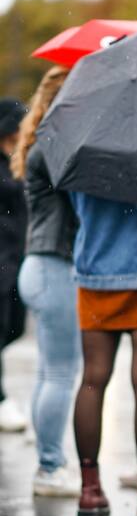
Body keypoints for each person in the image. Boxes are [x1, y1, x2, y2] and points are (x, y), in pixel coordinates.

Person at [70, 176, 137, 516]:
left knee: (93, 379)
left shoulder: (82, 143)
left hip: (94, 271)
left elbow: (74, 201)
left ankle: (89, 490)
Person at [11, 66, 81, 496]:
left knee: (48, 372)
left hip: (39, 264)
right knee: (60, 373)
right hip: (53, 265)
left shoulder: (42, 141)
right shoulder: (55, 148)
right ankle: (50, 466)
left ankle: (48, 457)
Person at [0, 97, 27, 432]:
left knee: (14, 327)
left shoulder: (16, 160)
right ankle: (2, 398)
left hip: (15, 257)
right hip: (2, 259)